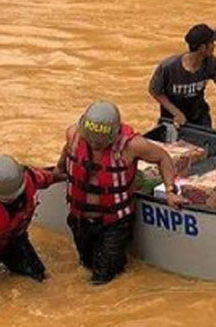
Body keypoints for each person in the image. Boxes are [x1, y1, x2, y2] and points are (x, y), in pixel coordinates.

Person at [55, 101, 188, 285]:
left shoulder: (132, 145)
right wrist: (56, 172)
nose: (94, 145)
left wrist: (170, 191)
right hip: (80, 221)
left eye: (100, 142)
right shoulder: (73, 134)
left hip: (114, 224)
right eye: (91, 140)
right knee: (86, 266)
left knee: (103, 280)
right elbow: (65, 156)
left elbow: (162, 157)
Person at [149, 23, 216, 145]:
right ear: (202, 48)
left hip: (200, 117)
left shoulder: (212, 63)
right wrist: (176, 112)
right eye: (212, 43)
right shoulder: (168, 67)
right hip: (172, 119)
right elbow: (154, 91)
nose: (214, 46)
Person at [0, 155, 65, 302]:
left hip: (11, 239)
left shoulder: (30, 178)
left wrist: (72, 175)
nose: (14, 199)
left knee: (40, 277)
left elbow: (51, 177)